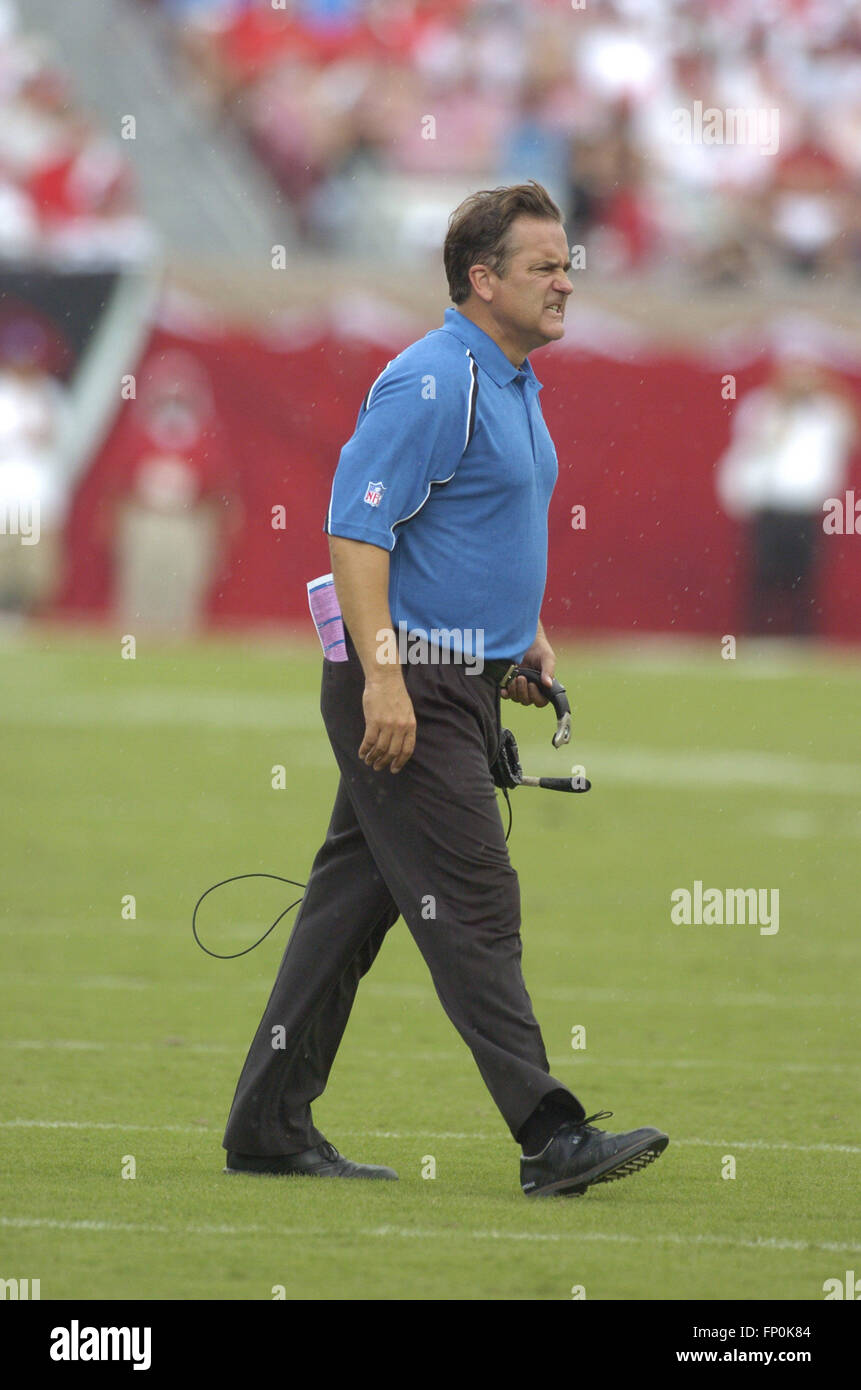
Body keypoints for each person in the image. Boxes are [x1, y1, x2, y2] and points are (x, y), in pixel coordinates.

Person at [222, 180, 668, 1198]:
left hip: (455, 675)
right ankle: (550, 1135)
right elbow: (356, 530)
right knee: (474, 898)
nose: (566, 282)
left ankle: (266, 1126)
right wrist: (386, 678)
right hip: (407, 680)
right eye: (544, 267)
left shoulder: (508, 380)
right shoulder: (432, 380)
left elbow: (471, 532)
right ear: (482, 279)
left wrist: (524, 643)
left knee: (347, 910)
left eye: (568, 263)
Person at [716, 352, 858, 637]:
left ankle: (802, 638)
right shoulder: (762, 406)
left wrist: (830, 388)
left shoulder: (827, 412)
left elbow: (851, 433)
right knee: (764, 576)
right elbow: (753, 444)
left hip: (806, 510)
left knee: (805, 578)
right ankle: (757, 635)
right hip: (770, 507)